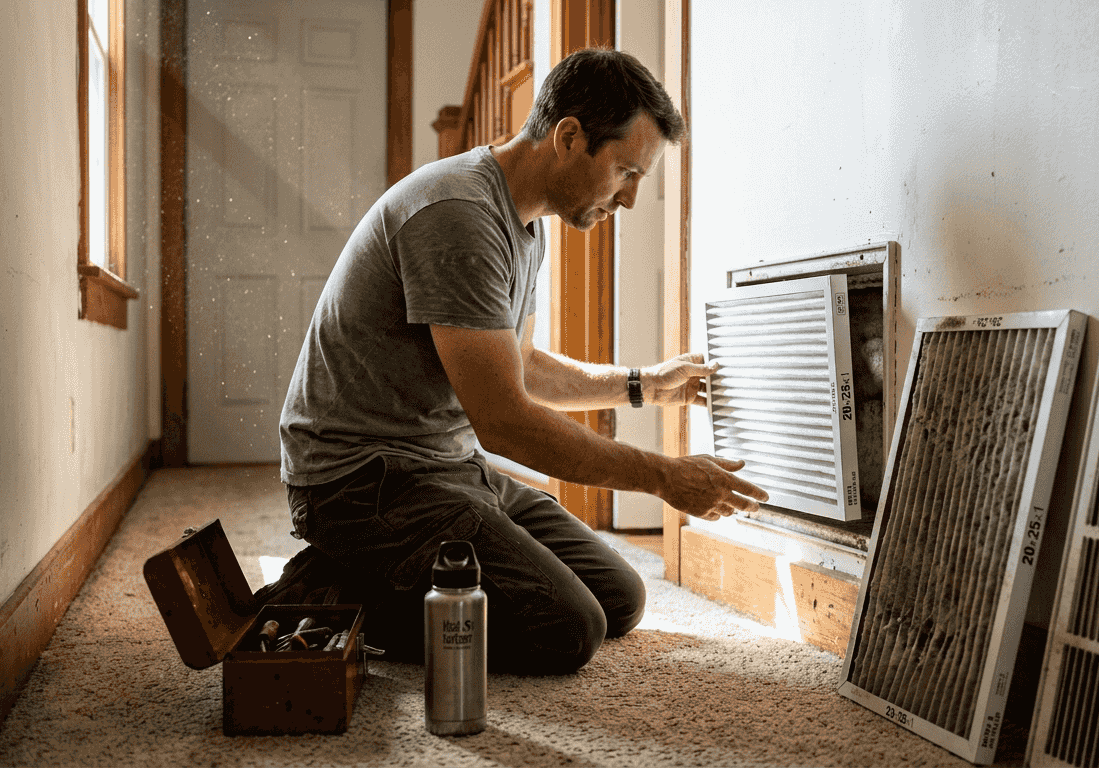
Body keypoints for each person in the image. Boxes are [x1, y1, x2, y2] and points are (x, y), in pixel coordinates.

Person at [277, 47, 767, 675]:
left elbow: (519, 365)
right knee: (567, 630)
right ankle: (325, 591)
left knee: (620, 598)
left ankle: (370, 568)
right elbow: (504, 419)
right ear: (569, 137)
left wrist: (644, 385)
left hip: (444, 469)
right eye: (624, 171)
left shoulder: (522, 225)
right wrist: (662, 476)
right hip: (360, 484)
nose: (631, 199)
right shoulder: (458, 215)